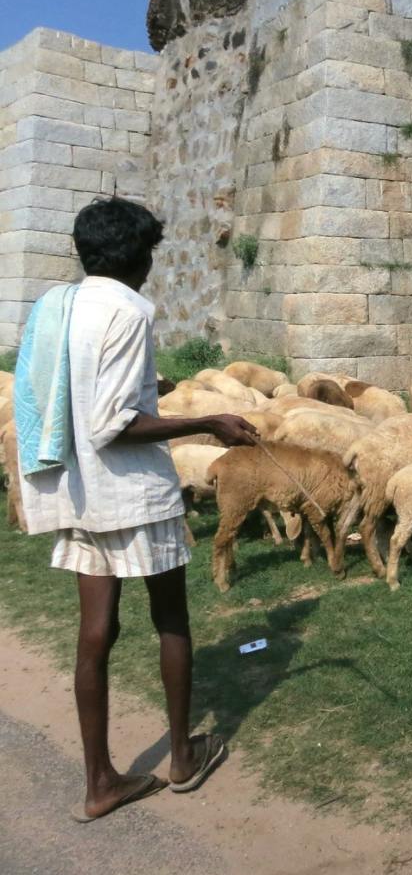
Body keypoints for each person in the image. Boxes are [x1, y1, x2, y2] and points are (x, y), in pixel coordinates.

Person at [15, 196, 259, 822]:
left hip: (78, 491)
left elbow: (73, 393)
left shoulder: (57, 306)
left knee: (94, 633)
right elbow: (113, 423)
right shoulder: (129, 310)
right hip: (130, 493)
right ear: (139, 256)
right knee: (171, 617)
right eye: (151, 252)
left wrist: (158, 392)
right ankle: (181, 756)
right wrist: (208, 420)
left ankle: (100, 782)